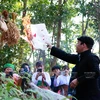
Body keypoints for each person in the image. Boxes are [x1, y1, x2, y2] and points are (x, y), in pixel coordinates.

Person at [47, 35, 100, 100]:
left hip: (90, 96)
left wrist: (78, 80)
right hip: (79, 95)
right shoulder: (79, 57)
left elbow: (95, 73)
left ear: (83, 45)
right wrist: (52, 48)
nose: (76, 45)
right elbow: (66, 56)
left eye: (78, 43)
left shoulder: (92, 57)